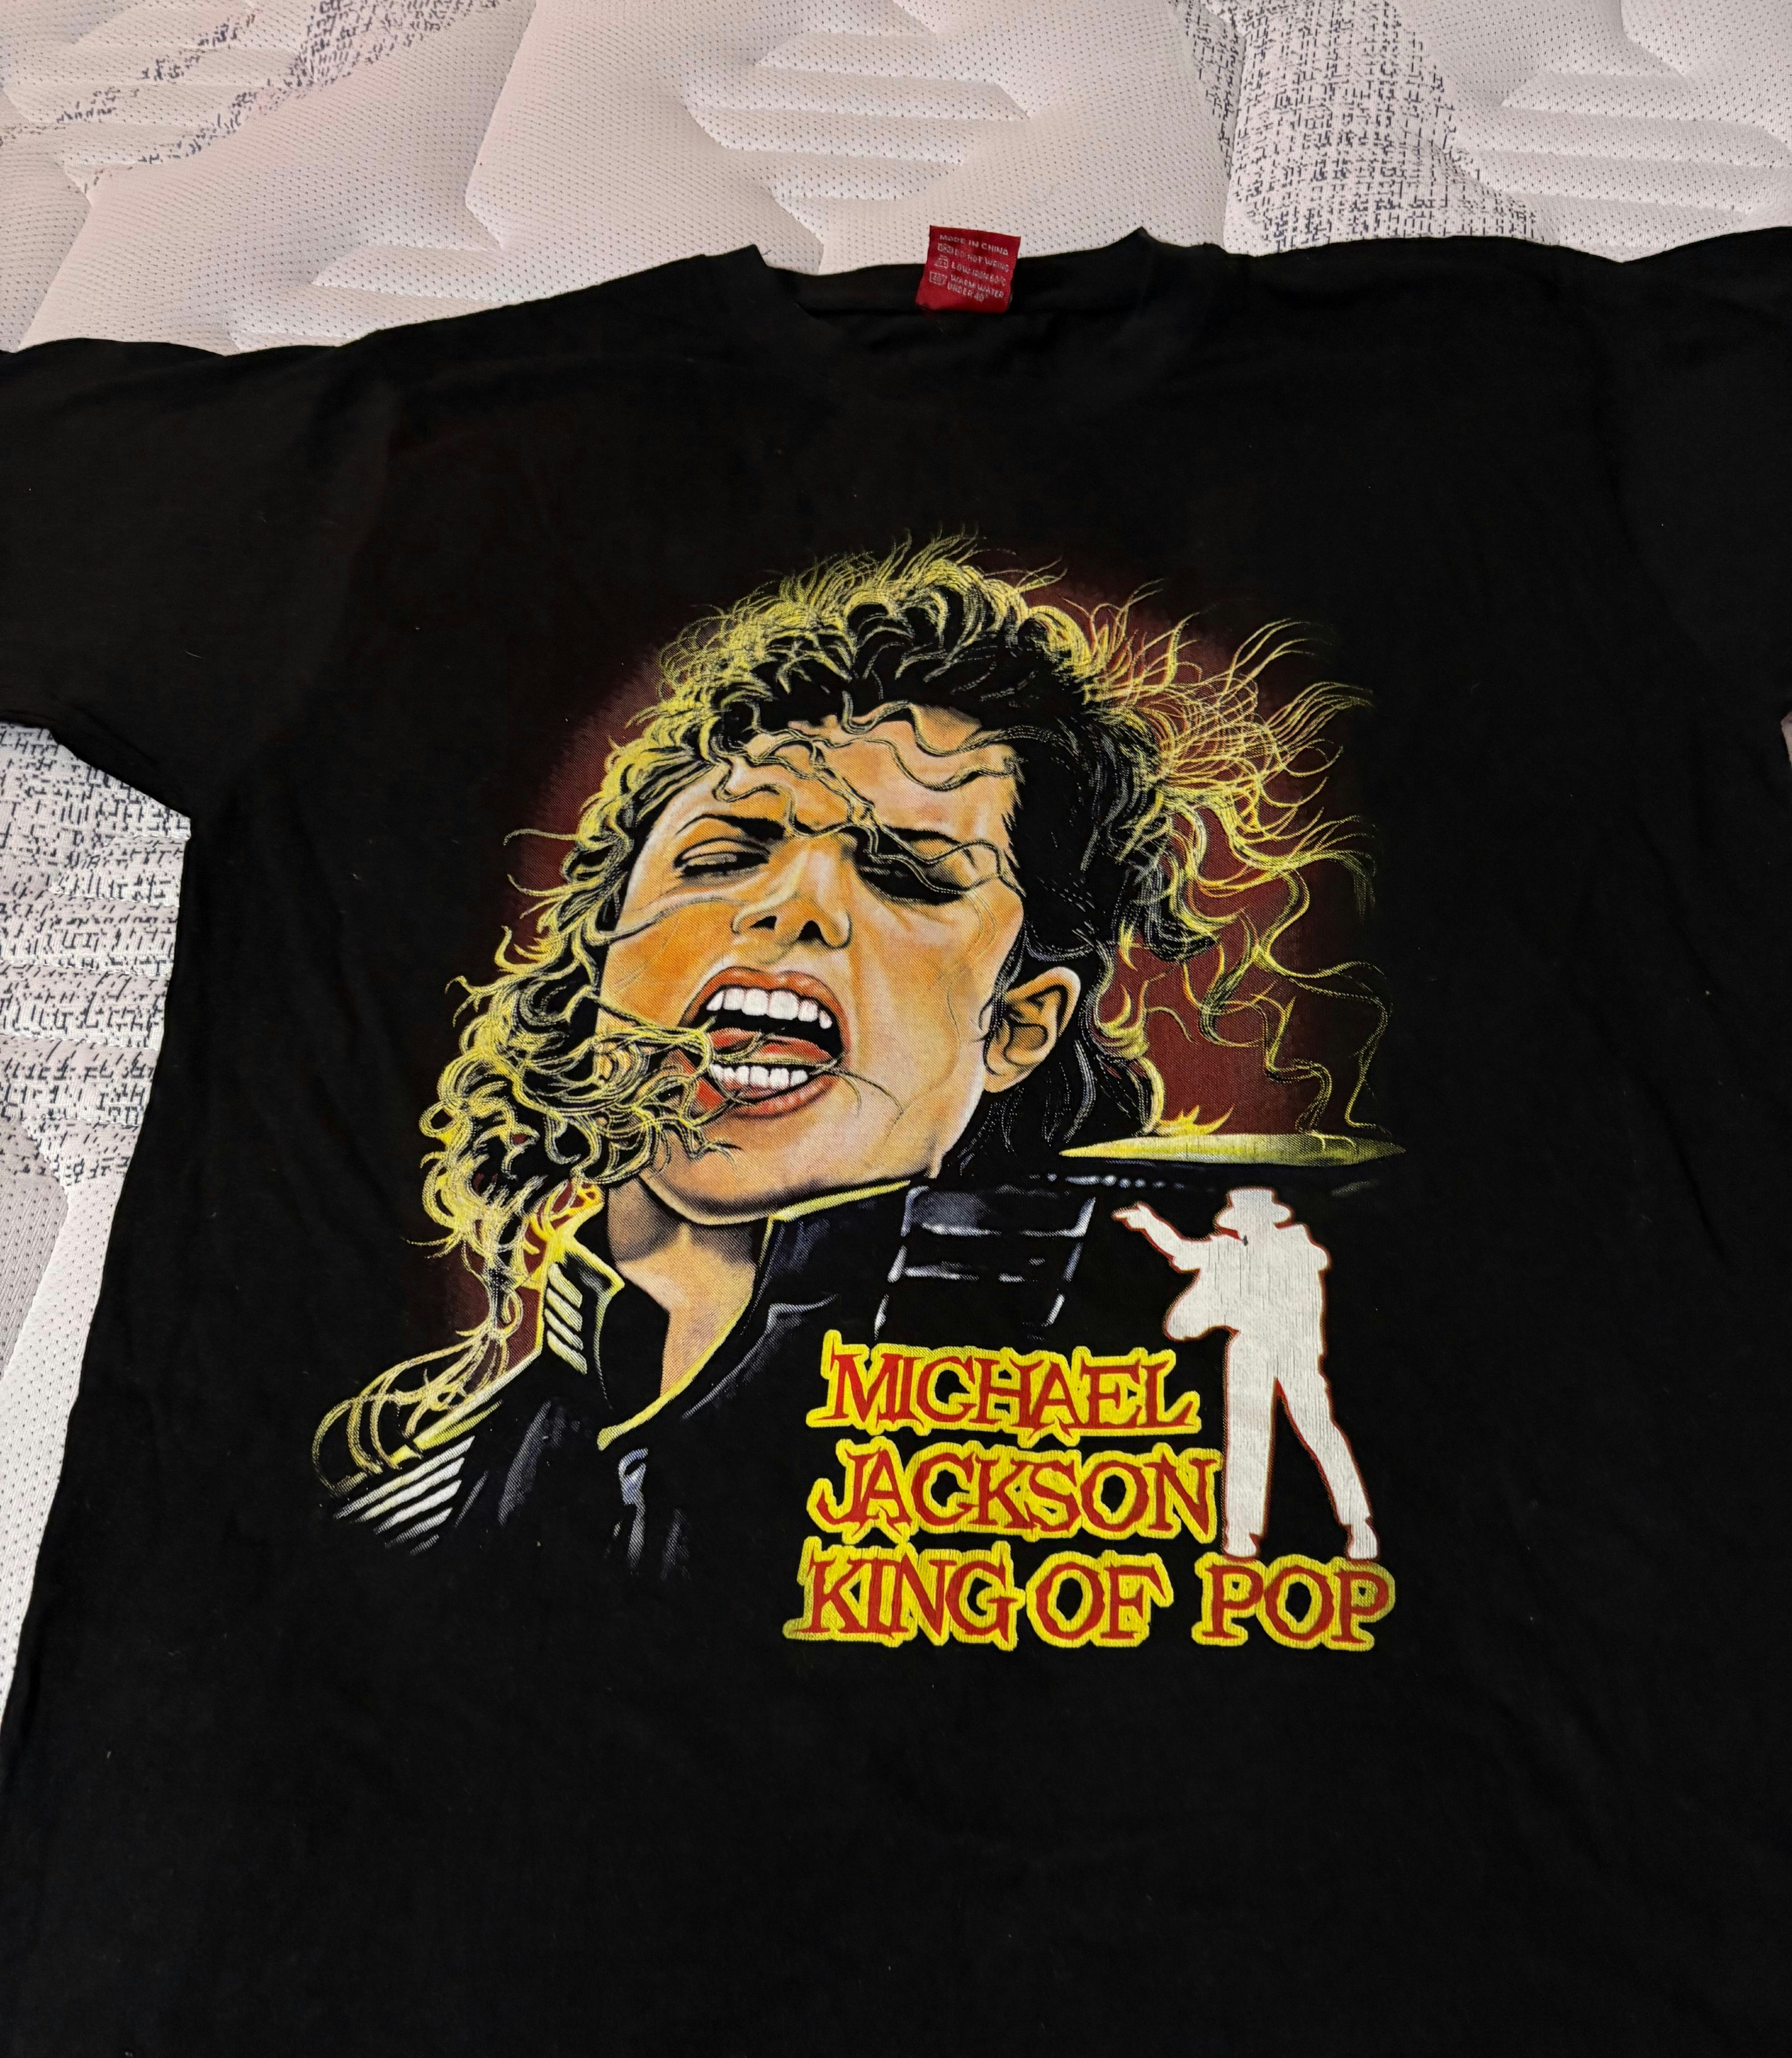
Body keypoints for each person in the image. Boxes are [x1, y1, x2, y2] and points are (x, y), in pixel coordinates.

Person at [314, 542, 1382, 1570]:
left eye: (909, 874)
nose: (797, 903)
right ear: (604, 957)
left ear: (1018, 1026)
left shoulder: (1121, 1479)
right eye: (723, 853)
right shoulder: (408, 1528)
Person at [1115, 1188, 1377, 1560]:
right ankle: (1240, 1533)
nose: (1244, 1229)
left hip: (1294, 1352)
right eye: (1241, 1224)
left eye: (1250, 1222)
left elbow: (1301, 1309)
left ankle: (1359, 1525)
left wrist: (1235, 1310)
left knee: (1320, 1432)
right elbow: (1183, 1252)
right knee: (1246, 1438)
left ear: (1266, 1220)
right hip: (1251, 1351)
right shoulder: (1229, 1251)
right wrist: (1150, 1224)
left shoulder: (1297, 1249)